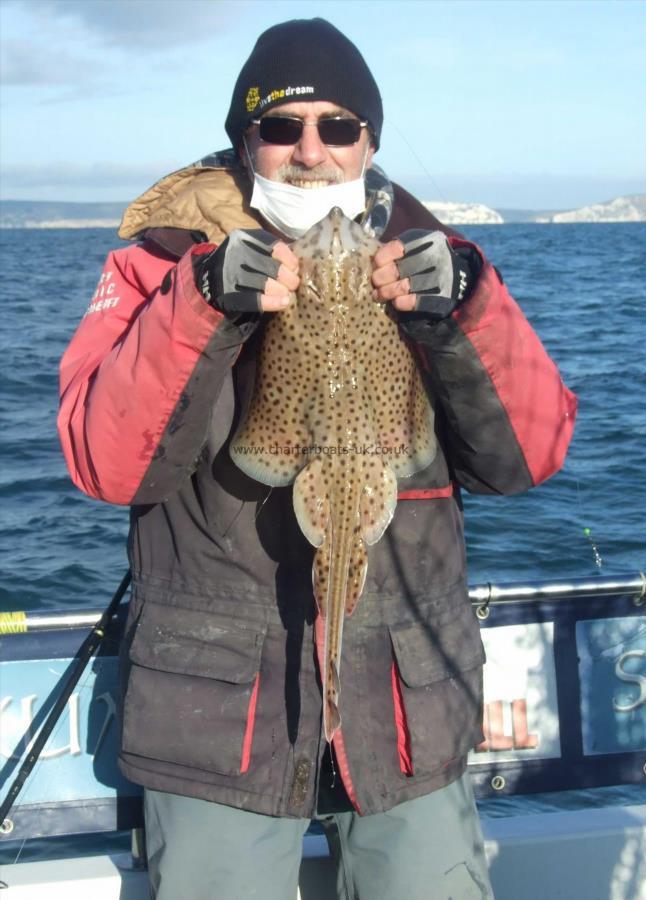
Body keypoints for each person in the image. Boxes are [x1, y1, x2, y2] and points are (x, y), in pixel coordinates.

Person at [58, 18, 577, 900]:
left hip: (406, 717)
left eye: (338, 128)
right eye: (281, 127)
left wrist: (463, 310)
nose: (311, 152)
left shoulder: (429, 255)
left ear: (369, 140)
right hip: (221, 722)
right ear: (243, 139)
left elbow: (529, 455)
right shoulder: (164, 261)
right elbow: (104, 462)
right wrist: (202, 301)